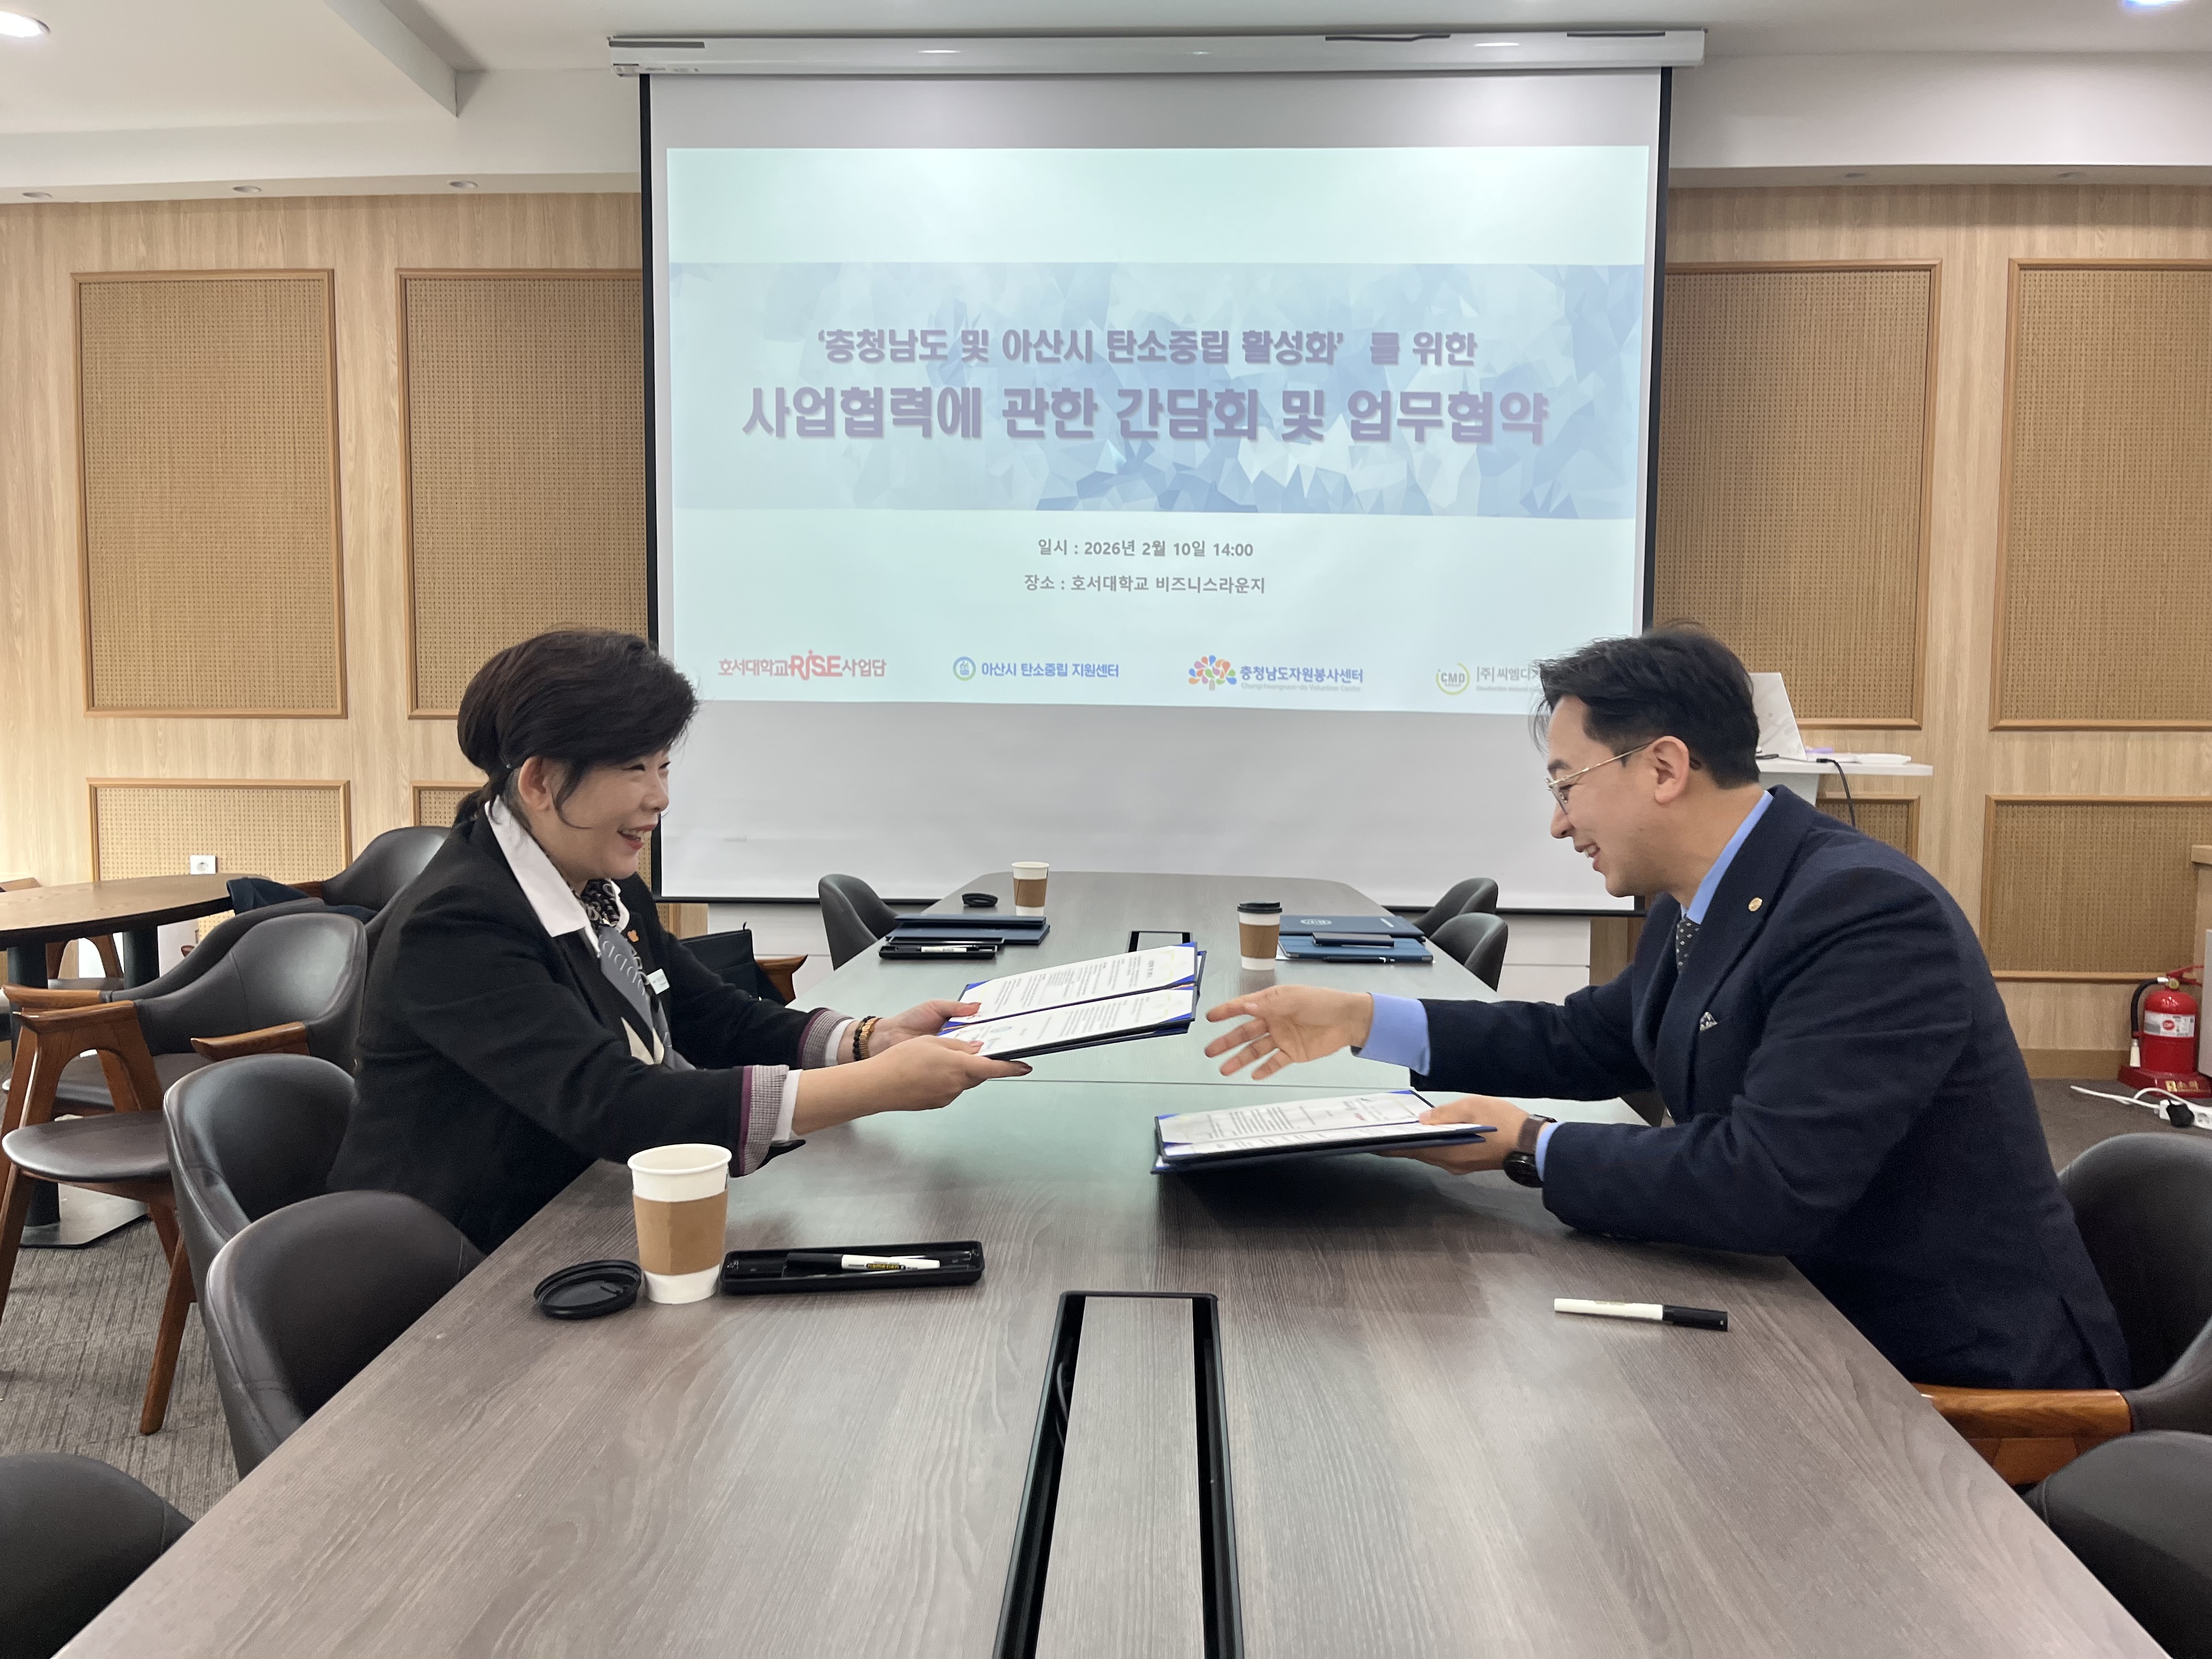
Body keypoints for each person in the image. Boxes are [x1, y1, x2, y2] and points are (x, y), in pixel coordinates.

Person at [1204, 627, 2129, 1392]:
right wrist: (1363, 1018)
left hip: (1944, 1372)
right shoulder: (1704, 898)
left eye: (1566, 783)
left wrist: (1528, 1144)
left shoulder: (1865, 913)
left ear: (1663, 767)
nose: (1558, 822)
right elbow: (1581, 1040)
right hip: (1796, 1312)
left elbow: (1766, 1180)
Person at [331, 629, 1027, 1252]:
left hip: (586, 1215)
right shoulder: (455, 926)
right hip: (456, 1267)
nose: (659, 797)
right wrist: (871, 1088)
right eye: (635, 769)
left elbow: (710, 1016)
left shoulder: (601, 882)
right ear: (540, 781)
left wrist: (868, 1040)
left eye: (663, 767)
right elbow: (614, 1105)